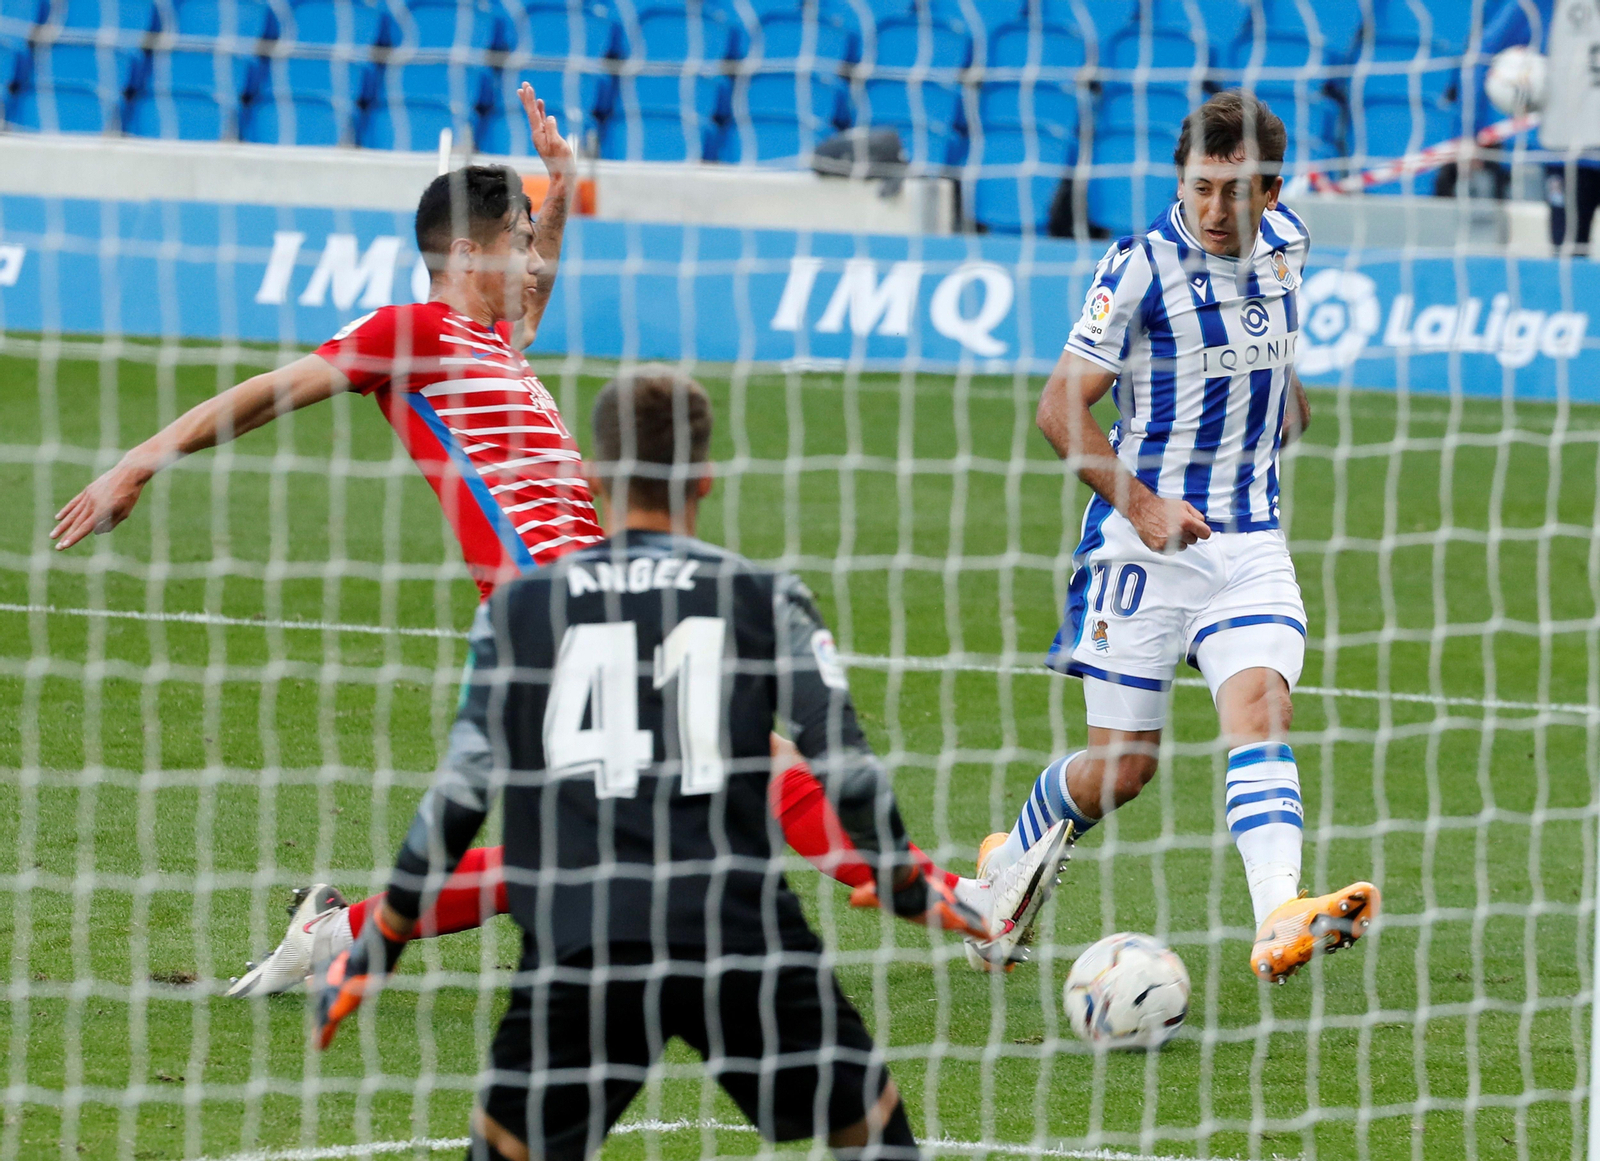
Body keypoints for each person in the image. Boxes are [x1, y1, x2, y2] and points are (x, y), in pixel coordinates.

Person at [48, 86, 1020, 994]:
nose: (531, 257)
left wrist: (555, 186)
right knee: (746, 754)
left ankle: (340, 938)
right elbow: (271, 390)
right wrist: (139, 462)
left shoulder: (497, 345)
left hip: (588, 606)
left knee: (570, 854)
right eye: (516, 240)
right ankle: (965, 906)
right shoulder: (414, 334)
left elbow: (538, 281)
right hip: (552, 617)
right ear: (471, 254)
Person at [313, 368, 1070, 1161]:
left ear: (593, 477)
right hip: (736, 933)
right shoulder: (764, 597)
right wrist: (912, 887)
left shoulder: (519, 611)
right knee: (875, 1136)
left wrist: (380, 945)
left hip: (583, 941)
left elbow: (459, 796)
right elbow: (841, 759)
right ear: (705, 477)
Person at [971, 91, 1379, 984]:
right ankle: (1004, 876)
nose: (1215, 210)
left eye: (1237, 193)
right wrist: (1146, 507)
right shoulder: (1139, 267)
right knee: (1123, 769)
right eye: (1200, 188)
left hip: (1251, 538)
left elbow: (1269, 343)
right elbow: (1057, 407)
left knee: (1260, 703)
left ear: (1271, 192)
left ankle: (1279, 911)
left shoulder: (1289, 248)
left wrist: (1280, 402)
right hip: (1141, 550)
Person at [1462, 0, 1600, 252]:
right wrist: (1468, 133)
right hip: (1568, 155)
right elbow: (1481, 53)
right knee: (1568, 257)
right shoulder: (1542, 5)